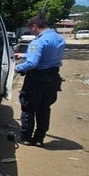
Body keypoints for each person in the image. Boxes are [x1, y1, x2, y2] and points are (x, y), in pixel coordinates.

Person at [15, 15, 66, 147]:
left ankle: (25, 137)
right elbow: (46, 56)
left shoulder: (38, 42)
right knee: (44, 108)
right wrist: (24, 55)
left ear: (35, 26)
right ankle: (39, 139)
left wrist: (16, 68)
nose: (31, 32)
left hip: (37, 78)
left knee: (28, 107)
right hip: (53, 78)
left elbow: (32, 63)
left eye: (31, 29)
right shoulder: (59, 39)